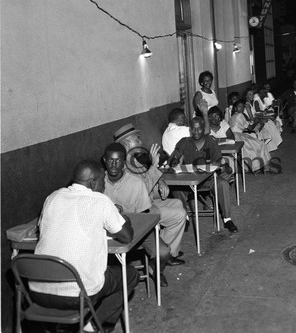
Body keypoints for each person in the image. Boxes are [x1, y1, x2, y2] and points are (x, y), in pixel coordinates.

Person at [29, 160, 138, 332]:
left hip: (37, 290)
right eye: (103, 180)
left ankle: (67, 327)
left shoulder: (53, 197)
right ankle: (94, 327)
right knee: (130, 275)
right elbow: (126, 236)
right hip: (76, 295)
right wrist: (124, 219)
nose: (104, 185)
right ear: (93, 182)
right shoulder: (100, 201)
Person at [114, 123, 186, 266]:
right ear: (128, 143)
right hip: (138, 212)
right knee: (180, 214)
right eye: (137, 139)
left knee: (177, 203)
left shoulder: (133, 160)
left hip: (147, 203)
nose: (140, 142)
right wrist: (153, 166)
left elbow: (147, 178)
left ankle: (165, 249)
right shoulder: (124, 167)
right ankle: (163, 255)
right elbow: (142, 190)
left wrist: (160, 181)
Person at [103, 143, 171, 287]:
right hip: (104, 231)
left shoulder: (136, 184)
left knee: (163, 252)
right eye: (110, 160)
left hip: (133, 229)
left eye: (118, 160)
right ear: (104, 160)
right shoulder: (97, 182)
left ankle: (155, 270)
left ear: (124, 163)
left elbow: (143, 217)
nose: (114, 164)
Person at [171, 116, 238, 233]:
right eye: (193, 129)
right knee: (177, 188)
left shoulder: (210, 142)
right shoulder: (184, 142)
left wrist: (208, 167)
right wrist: (174, 160)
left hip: (208, 179)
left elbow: (218, 160)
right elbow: (174, 156)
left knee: (222, 184)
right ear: (190, 130)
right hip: (190, 180)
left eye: (199, 129)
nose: (196, 132)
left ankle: (227, 219)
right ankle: (184, 217)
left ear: (204, 129)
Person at [229, 99, 272, 173]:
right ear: (235, 108)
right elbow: (249, 128)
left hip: (233, 136)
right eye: (239, 106)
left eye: (242, 106)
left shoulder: (233, 116)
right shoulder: (240, 115)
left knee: (255, 144)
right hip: (238, 136)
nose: (241, 108)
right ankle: (264, 166)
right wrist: (255, 122)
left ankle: (261, 166)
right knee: (259, 144)